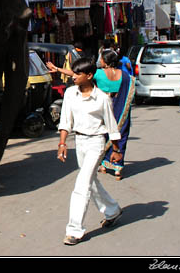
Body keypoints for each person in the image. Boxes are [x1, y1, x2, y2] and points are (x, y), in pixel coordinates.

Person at [57, 57, 123, 245]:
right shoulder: (70, 93)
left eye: (78, 74)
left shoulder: (102, 98)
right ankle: (112, 210)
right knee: (90, 181)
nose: (74, 77)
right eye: (74, 72)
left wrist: (116, 150)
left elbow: (111, 126)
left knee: (82, 184)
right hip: (80, 141)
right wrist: (62, 144)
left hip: (96, 143)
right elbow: (65, 121)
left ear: (89, 75)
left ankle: (74, 230)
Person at [95, 49, 136, 181]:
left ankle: (104, 165)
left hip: (105, 107)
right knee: (121, 134)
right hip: (120, 106)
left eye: (100, 59)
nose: (99, 61)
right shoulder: (124, 75)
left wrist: (58, 69)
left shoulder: (98, 73)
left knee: (105, 135)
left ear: (105, 61)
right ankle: (118, 168)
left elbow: (78, 74)